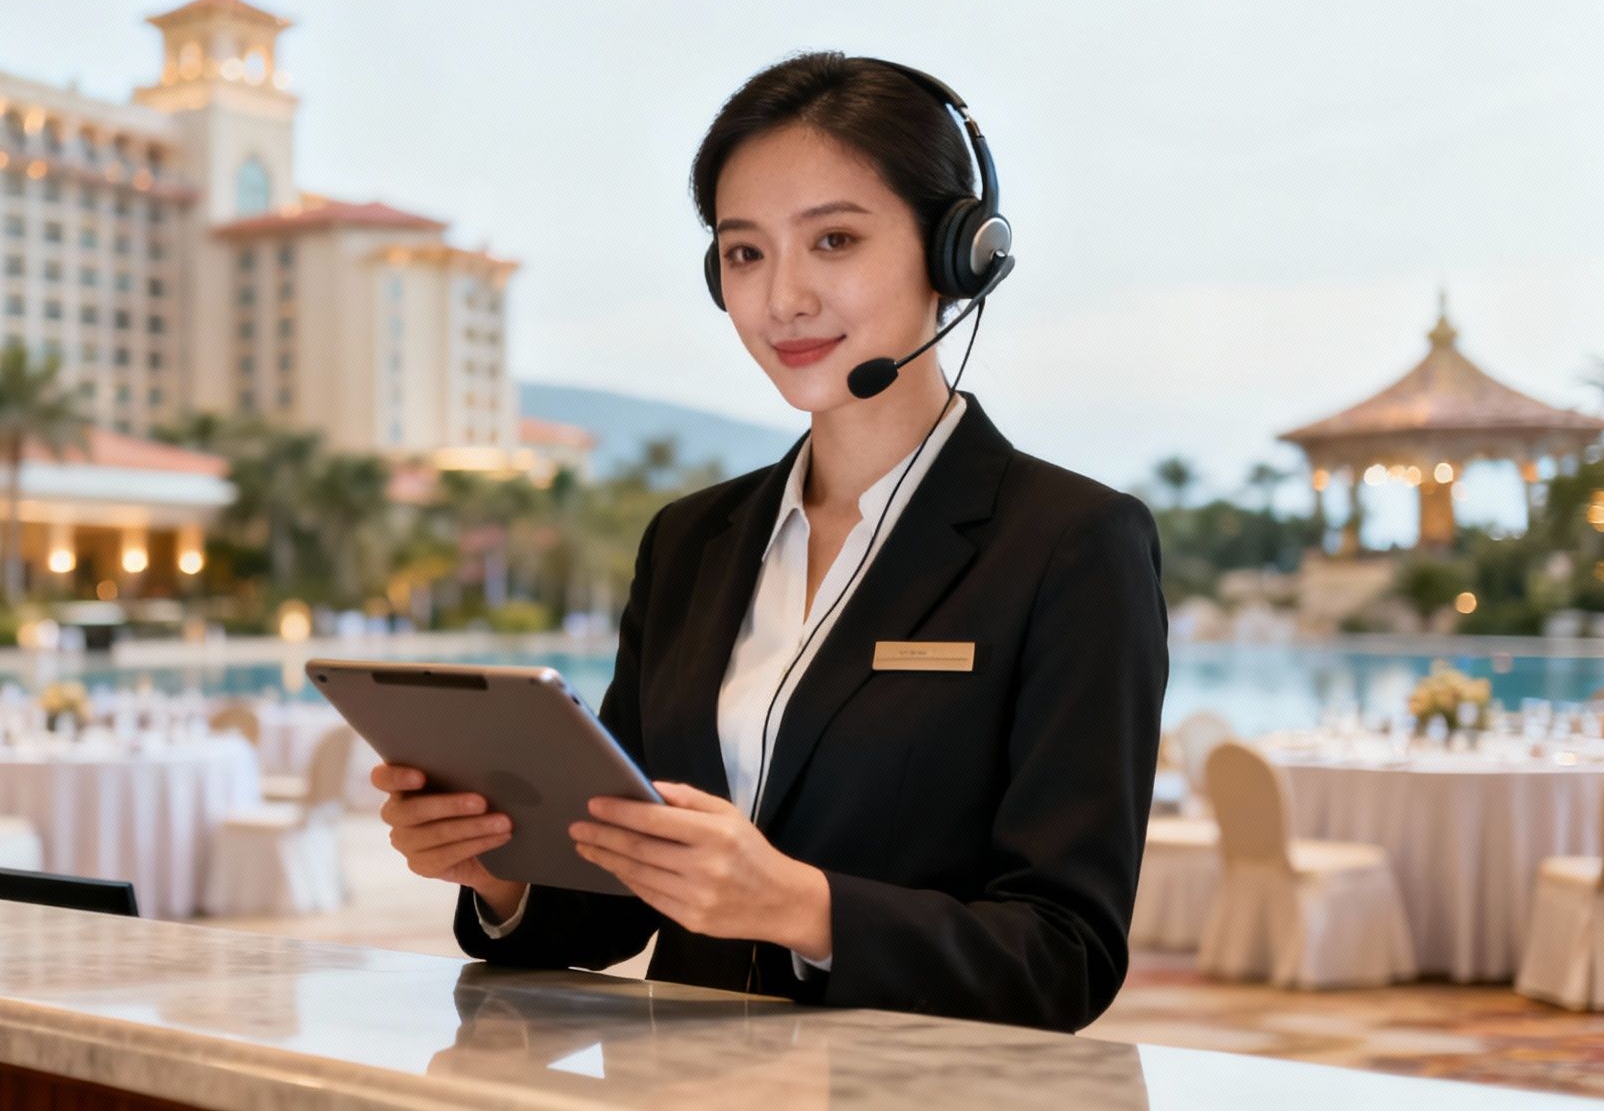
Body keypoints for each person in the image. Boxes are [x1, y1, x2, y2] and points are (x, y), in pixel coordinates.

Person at [371, 51, 1168, 1032]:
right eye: (744, 253)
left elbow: (1063, 958)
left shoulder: (1070, 544)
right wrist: (499, 873)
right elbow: (612, 901)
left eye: (832, 240)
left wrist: (801, 908)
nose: (781, 297)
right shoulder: (689, 541)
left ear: (957, 251)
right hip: (678, 1089)